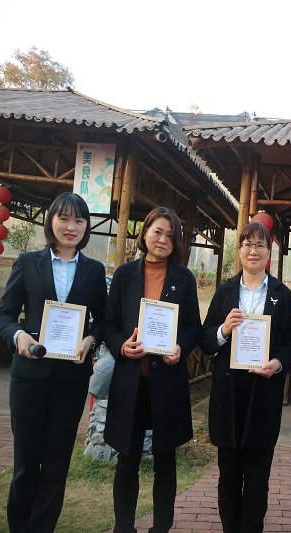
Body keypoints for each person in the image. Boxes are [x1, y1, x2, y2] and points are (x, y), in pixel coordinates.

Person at [0, 192, 107, 533]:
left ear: (86, 227)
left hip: (71, 381)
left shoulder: (93, 270)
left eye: (79, 220)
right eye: (64, 218)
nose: (71, 227)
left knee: (57, 463)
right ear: (51, 221)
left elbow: (103, 320)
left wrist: (90, 339)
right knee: (26, 461)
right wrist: (19, 337)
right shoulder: (28, 262)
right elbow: (5, 315)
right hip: (29, 377)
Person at [199, 222, 291, 533]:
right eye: (247, 244)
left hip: (263, 396)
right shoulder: (224, 292)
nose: (253, 251)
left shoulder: (282, 295)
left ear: (269, 252)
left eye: (260, 245)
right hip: (228, 397)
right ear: (240, 250)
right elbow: (205, 340)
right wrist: (223, 329)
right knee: (228, 477)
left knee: (257, 481)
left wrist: (278, 363)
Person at [104, 207, 201, 533]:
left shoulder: (184, 278)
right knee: (126, 460)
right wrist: (121, 346)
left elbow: (193, 326)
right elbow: (109, 324)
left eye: (170, 235)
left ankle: (161, 528)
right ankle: (123, 527)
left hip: (167, 383)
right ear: (144, 233)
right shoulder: (124, 275)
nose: (162, 240)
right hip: (131, 381)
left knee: (166, 461)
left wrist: (180, 347)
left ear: (177, 243)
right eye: (157, 231)